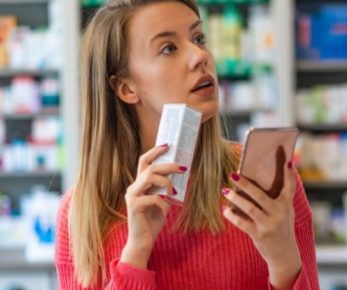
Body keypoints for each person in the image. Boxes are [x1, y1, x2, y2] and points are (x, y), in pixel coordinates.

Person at [55, 0, 319, 289]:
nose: (200, 56)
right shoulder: (82, 213)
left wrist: (284, 262)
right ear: (126, 88)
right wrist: (136, 252)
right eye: (168, 48)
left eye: (198, 38)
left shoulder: (262, 185)